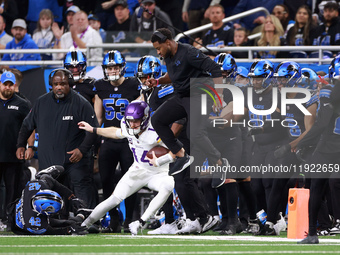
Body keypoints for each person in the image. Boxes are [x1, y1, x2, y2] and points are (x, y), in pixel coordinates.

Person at [147, 28, 228, 190]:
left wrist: (218, 96)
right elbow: (173, 75)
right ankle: (180, 154)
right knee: (157, 119)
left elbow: (215, 69)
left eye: (159, 48)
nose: (158, 52)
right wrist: (157, 82)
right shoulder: (167, 55)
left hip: (200, 95)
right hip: (182, 95)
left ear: (168, 43)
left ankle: (220, 163)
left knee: (195, 134)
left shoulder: (189, 52)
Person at [79, 100, 175, 235]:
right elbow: (116, 132)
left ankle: (141, 222)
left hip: (158, 173)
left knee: (168, 185)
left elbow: (178, 151)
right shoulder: (127, 125)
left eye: (136, 120)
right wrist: (94, 130)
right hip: (137, 171)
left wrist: (161, 160)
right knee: (113, 199)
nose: (132, 124)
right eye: (130, 120)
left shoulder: (157, 131)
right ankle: (84, 225)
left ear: (146, 118)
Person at [16, 69, 99, 209]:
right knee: (51, 195)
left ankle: (87, 220)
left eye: (63, 84)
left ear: (70, 84)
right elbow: (27, 126)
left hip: (75, 161)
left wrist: (82, 150)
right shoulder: (41, 102)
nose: (59, 87)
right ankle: (58, 222)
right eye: (56, 84)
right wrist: (21, 145)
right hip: (49, 161)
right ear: (51, 85)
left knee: (82, 192)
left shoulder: (81, 103)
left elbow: (93, 130)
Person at [94, 50, 140, 233]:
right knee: (106, 181)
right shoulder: (100, 86)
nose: (112, 70)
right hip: (109, 139)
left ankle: (129, 218)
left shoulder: (133, 85)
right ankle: (113, 219)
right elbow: (97, 119)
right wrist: (95, 143)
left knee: (130, 181)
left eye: (115, 67)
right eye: (109, 67)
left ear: (122, 67)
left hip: (128, 141)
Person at [7, 165, 89, 235]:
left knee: (51, 175)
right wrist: (69, 230)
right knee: (67, 223)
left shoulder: (34, 186)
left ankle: (42, 174)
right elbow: (52, 231)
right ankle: (81, 217)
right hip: (20, 224)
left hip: (24, 205)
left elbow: (53, 182)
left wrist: (72, 197)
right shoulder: (34, 224)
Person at [0, 71, 32, 225]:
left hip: (14, 154)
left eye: (10, 84)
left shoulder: (22, 104)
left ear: (14, 85)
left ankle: (9, 219)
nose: (7, 87)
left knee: (13, 189)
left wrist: (30, 147)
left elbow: (30, 127)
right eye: (5, 84)